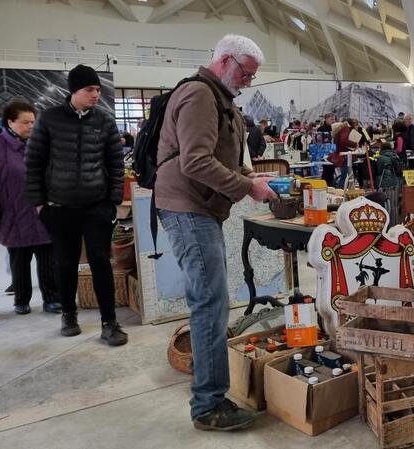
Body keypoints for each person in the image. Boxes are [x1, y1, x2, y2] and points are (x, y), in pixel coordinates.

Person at [154, 34, 278, 431]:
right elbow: (194, 162)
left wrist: (246, 175)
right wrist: (247, 187)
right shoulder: (199, 95)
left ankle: (210, 395)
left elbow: (214, 157)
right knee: (211, 302)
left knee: (211, 299)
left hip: (198, 207)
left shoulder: (217, 98)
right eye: (246, 73)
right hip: (187, 207)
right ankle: (208, 406)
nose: (248, 81)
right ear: (225, 61)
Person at [25, 64, 126, 345]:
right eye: (89, 89)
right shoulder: (49, 119)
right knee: (65, 262)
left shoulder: (105, 121)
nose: (96, 94)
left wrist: (113, 201)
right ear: (74, 91)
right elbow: (33, 163)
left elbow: (115, 164)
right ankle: (69, 314)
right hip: (59, 207)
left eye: (97, 89)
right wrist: (39, 204)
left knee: (101, 262)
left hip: (97, 207)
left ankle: (110, 322)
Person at [0, 101, 60, 315]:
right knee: (19, 260)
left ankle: (51, 298)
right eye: (25, 122)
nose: (31, 127)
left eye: (33, 122)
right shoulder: (0, 146)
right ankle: (21, 299)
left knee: (47, 258)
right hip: (13, 214)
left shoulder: (41, 145)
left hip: (42, 211)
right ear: (10, 122)